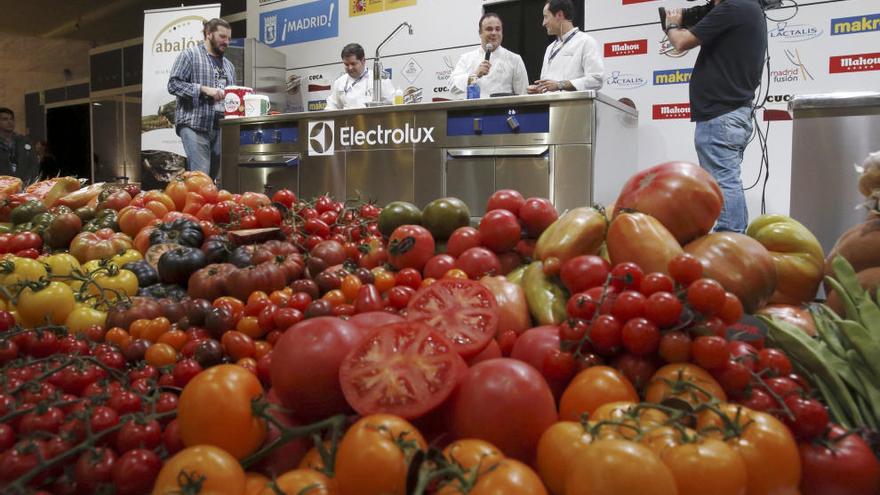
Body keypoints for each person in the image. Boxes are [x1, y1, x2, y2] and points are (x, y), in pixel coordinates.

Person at [665, 0, 766, 232]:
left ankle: (730, 240)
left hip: (721, 115)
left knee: (723, 181)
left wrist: (672, 24)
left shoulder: (734, 7)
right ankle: (734, 240)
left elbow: (681, 42)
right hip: (729, 113)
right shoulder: (746, 8)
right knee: (726, 179)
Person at [167, 18, 236, 181]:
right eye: (222, 37)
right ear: (208, 34)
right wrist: (202, 89)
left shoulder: (229, 66)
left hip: (220, 128)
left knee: (213, 179)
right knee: (201, 178)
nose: (227, 42)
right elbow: (173, 85)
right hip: (194, 125)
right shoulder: (189, 55)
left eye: (229, 38)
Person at [528, 0, 604, 94]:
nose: (543, 23)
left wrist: (560, 85)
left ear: (559, 15)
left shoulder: (585, 42)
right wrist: (540, 89)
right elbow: (547, 84)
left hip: (575, 106)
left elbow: (596, 79)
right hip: (550, 107)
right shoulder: (549, 48)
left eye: (546, 17)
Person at [450, 13, 529, 99]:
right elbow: (453, 87)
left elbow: (523, 96)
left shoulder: (514, 59)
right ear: (480, 33)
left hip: (502, 111)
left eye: (498, 29)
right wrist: (475, 75)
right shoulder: (466, 58)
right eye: (489, 29)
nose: (494, 33)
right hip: (473, 111)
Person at [325, 44, 395, 110]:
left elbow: (392, 103)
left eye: (353, 64)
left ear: (363, 61)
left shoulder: (379, 79)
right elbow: (332, 106)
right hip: (348, 122)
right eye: (346, 64)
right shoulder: (339, 82)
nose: (350, 68)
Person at [0, 107, 40, 183]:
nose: (10, 122)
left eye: (11, 119)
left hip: (24, 185)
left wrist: (28, 181)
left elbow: (34, 164)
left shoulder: (25, 141)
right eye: (5, 119)